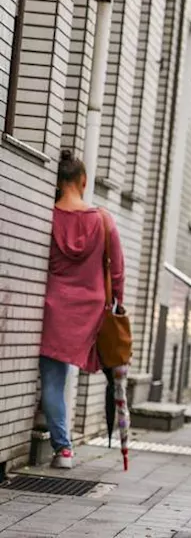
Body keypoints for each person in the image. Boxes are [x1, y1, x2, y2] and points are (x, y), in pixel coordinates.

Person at [39, 151, 125, 470]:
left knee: (51, 380)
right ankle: (62, 439)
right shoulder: (101, 219)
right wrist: (118, 300)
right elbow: (117, 268)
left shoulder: (48, 217)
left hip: (53, 306)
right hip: (91, 310)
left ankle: (62, 449)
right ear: (83, 181)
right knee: (66, 376)